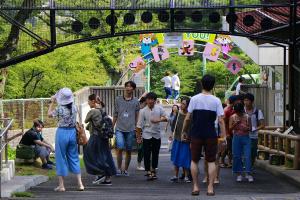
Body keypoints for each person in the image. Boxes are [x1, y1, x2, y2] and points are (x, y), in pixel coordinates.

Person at [182, 74, 226, 196]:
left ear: (202, 84)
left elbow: (187, 118)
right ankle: (210, 188)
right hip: (210, 133)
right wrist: (224, 137)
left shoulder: (194, 99)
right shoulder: (216, 100)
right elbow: (221, 120)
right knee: (211, 161)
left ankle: (195, 187)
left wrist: (184, 131)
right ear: (213, 85)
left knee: (194, 160)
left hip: (196, 133)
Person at [48, 88, 84, 192]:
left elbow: (49, 114)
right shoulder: (74, 107)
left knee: (60, 158)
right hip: (72, 132)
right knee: (74, 157)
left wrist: (52, 102)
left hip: (62, 133)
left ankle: (61, 186)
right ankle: (80, 184)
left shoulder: (59, 109)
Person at [83, 94, 116, 186]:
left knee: (89, 154)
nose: (88, 103)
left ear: (93, 101)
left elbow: (86, 120)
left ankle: (100, 173)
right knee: (106, 155)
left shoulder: (93, 111)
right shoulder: (102, 110)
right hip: (104, 136)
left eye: (89, 101)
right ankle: (107, 179)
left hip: (95, 136)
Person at [136, 92, 168, 181]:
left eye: (152, 99)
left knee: (155, 153)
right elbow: (139, 125)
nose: (150, 101)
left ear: (155, 100)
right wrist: (138, 137)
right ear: (146, 100)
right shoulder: (142, 111)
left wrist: (158, 119)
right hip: (146, 134)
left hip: (157, 134)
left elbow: (166, 117)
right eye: (148, 99)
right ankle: (148, 171)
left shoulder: (159, 108)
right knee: (146, 153)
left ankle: (153, 170)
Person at [113, 81, 140, 176]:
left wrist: (137, 128)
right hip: (119, 128)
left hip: (131, 128)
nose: (128, 88)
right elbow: (115, 113)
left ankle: (125, 170)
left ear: (133, 89)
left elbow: (137, 115)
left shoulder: (136, 101)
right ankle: (119, 169)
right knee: (119, 148)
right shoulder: (118, 99)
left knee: (129, 150)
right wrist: (112, 126)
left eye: (130, 86)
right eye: (127, 86)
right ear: (124, 88)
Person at [229, 102, 253, 182]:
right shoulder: (232, 117)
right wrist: (235, 124)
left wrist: (246, 128)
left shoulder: (247, 117)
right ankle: (239, 174)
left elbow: (250, 128)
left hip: (246, 137)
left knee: (248, 155)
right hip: (236, 137)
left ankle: (248, 173)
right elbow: (230, 128)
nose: (238, 113)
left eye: (240, 111)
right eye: (237, 111)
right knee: (236, 155)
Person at [170, 97, 192, 183]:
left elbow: (191, 127)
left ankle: (186, 176)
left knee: (185, 158)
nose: (181, 105)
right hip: (177, 138)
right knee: (176, 157)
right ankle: (175, 175)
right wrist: (172, 134)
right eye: (181, 103)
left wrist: (189, 137)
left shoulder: (190, 115)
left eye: (183, 104)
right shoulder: (178, 113)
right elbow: (173, 125)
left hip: (186, 140)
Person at [244, 93, 265, 168]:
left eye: (247, 100)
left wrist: (255, 129)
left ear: (252, 101)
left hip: (253, 136)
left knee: (253, 153)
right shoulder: (241, 111)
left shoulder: (258, 112)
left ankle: (250, 165)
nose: (245, 102)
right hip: (243, 135)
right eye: (245, 100)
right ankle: (246, 167)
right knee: (245, 152)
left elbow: (262, 125)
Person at [136, 96, 147, 171]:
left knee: (147, 148)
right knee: (141, 149)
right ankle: (139, 164)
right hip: (140, 130)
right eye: (145, 103)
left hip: (145, 130)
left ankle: (148, 164)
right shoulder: (140, 110)